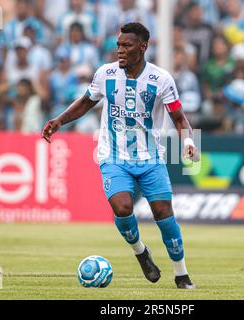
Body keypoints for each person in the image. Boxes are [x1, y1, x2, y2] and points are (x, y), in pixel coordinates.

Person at [42, 22, 199, 289]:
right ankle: (141, 253)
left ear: (143, 47)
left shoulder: (161, 79)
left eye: (127, 46)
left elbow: (179, 117)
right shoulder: (105, 73)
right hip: (113, 156)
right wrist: (59, 121)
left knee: (163, 214)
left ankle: (181, 274)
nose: (120, 51)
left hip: (150, 158)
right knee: (122, 207)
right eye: (118, 46)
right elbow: (86, 102)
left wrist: (189, 142)